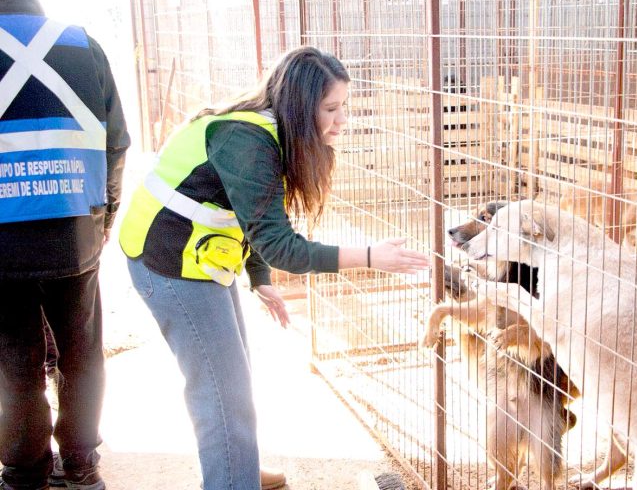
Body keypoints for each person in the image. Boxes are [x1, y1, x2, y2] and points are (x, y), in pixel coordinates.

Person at [118, 45, 429, 490]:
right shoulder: (246, 140)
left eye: (345, 106)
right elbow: (282, 244)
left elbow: (258, 214)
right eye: (331, 108)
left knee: (233, 380)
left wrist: (259, 278)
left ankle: (236, 468)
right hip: (166, 260)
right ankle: (232, 479)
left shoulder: (274, 132)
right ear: (301, 107)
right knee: (221, 393)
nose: (343, 119)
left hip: (202, 253)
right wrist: (369, 257)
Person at [0, 0, 131, 489]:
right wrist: (105, 216)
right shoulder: (82, 44)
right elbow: (116, 141)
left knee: (13, 359)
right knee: (81, 350)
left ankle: (23, 472)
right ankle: (80, 464)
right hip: (75, 228)